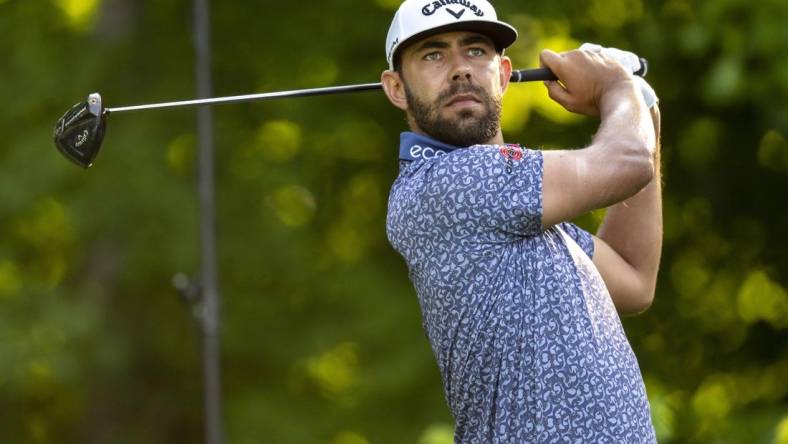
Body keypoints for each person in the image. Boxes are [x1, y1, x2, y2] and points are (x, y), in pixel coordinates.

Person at [381, 0, 662, 442]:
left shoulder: (525, 213)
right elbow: (628, 160)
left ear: (505, 74)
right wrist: (615, 87)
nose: (460, 69)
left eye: (476, 51)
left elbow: (633, 276)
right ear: (396, 88)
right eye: (433, 54)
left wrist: (642, 107)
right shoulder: (444, 184)